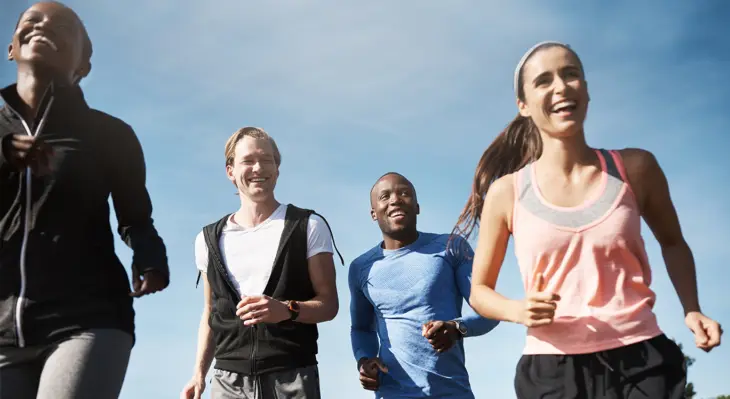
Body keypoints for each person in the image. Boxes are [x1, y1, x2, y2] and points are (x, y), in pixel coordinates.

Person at [452, 41, 723, 399]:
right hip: (552, 368)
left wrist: (692, 309)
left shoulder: (636, 169)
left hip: (642, 357)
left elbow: (672, 242)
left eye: (571, 74)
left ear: (586, 89)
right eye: (543, 81)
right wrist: (518, 310)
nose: (561, 87)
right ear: (524, 105)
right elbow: (480, 293)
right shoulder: (508, 192)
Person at [0, 2, 170, 398]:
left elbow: (135, 218)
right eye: (32, 21)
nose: (44, 27)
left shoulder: (110, 134)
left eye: (63, 27)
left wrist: (149, 258)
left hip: (87, 318)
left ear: (84, 65)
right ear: (11, 47)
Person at [181, 127, 341, 399]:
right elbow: (210, 312)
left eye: (267, 160)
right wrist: (198, 373)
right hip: (228, 382)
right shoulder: (207, 239)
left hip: (292, 376)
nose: (259, 167)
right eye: (248, 160)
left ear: (277, 168)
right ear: (230, 170)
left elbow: (329, 305)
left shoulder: (308, 226)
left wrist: (287, 310)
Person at [349, 172, 499, 398]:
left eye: (404, 193)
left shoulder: (451, 247)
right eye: (385, 196)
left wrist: (456, 328)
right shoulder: (361, 268)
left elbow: (491, 310)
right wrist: (364, 360)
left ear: (417, 207)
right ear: (373, 213)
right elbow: (361, 329)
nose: (395, 200)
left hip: (451, 393)